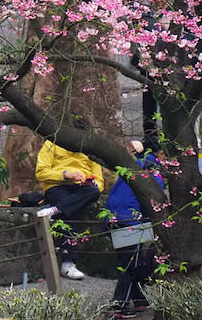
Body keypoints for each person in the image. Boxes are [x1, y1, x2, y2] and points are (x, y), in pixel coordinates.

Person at [34, 131, 104, 280]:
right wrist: (66, 175)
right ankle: (67, 262)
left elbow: (100, 182)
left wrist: (92, 182)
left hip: (82, 188)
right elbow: (41, 173)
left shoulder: (90, 148)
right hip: (57, 186)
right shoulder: (51, 144)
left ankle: (55, 210)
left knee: (93, 192)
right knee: (73, 210)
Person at [104, 140, 162, 319]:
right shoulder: (153, 174)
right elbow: (153, 205)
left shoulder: (131, 166)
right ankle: (118, 306)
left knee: (134, 261)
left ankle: (139, 300)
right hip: (132, 222)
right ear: (160, 155)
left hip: (112, 218)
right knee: (131, 265)